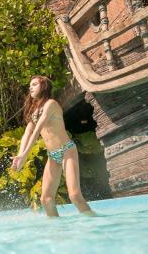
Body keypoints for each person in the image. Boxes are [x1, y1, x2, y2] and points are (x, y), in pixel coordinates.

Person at [11, 76, 96, 217]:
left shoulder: (51, 104)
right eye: (30, 85)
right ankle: (58, 231)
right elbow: (28, 132)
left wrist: (26, 154)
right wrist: (20, 154)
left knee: (74, 195)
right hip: (53, 156)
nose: (30, 88)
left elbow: (38, 129)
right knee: (46, 199)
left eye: (34, 84)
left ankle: (95, 223)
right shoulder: (34, 111)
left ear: (43, 86)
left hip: (67, 150)